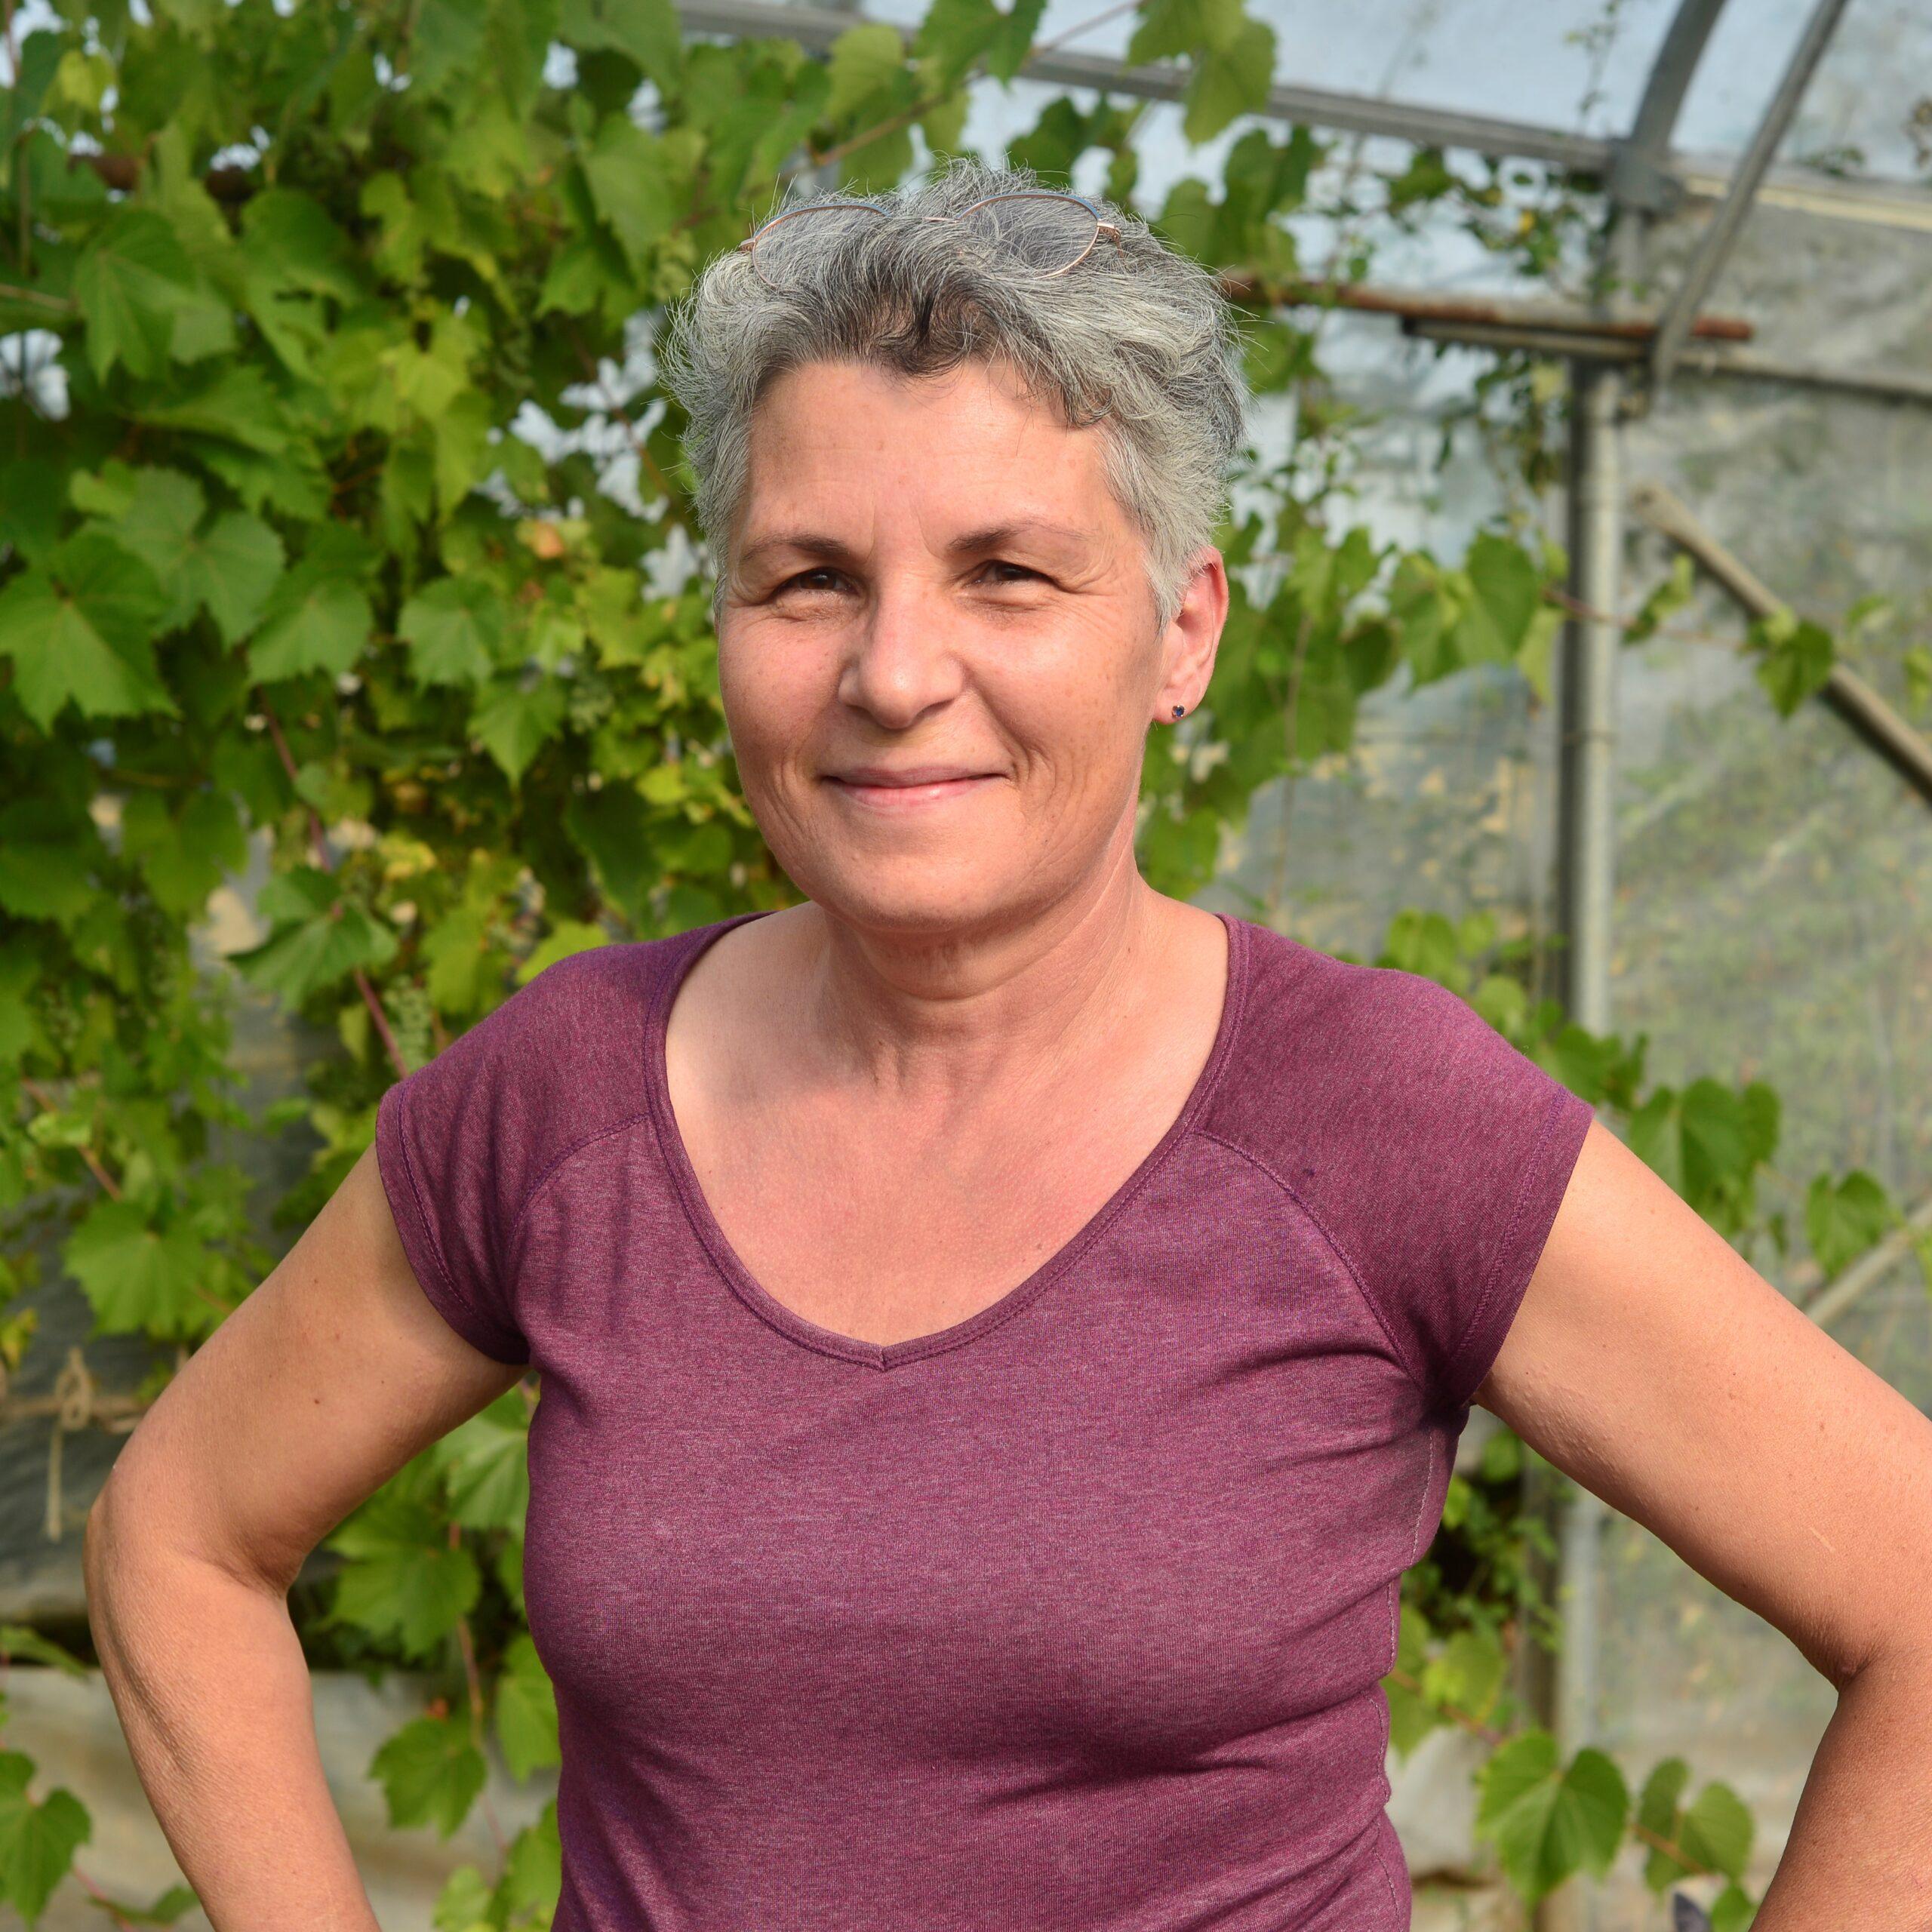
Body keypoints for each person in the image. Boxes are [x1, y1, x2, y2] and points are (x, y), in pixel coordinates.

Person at [85, 157, 1932, 1932]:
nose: (893, 673)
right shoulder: (571, 1097)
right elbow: (176, 1535)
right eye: (807, 577)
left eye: (1007, 573)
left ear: (1180, 629)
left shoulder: (1371, 1118)